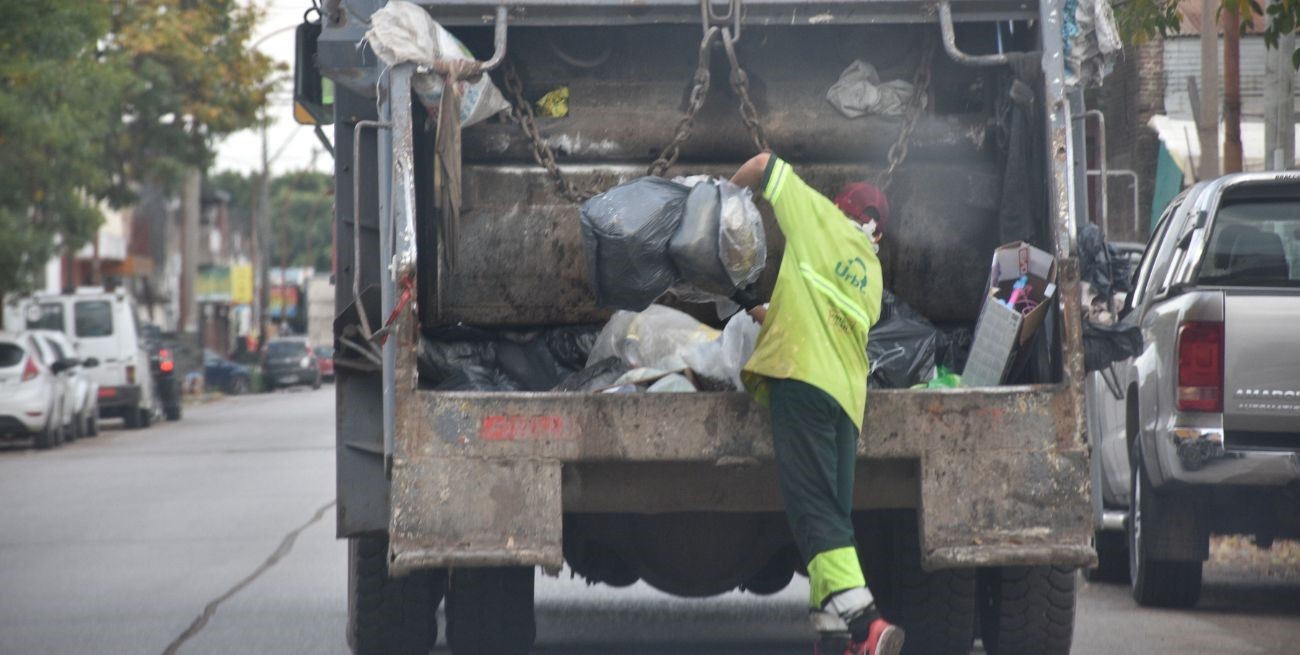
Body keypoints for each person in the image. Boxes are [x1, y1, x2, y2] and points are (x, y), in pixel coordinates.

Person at [730, 152, 901, 655]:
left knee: (814, 517)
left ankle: (866, 624)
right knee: (834, 517)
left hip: (801, 382)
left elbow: (763, 162)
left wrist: (721, 198)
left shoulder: (818, 218)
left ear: (837, 207)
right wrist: (759, 310)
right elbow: (821, 309)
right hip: (846, 401)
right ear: (878, 233)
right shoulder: (870, 271)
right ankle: (835, 635)